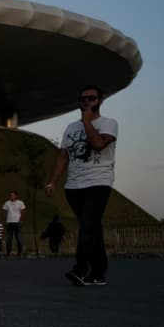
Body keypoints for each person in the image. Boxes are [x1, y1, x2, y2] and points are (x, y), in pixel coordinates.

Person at [46, 85, 117, 286]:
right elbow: (63, 156)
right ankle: (98, 273)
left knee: (87, 225)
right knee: (92, 228)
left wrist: (87, 121)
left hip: (98, 182)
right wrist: (53, 181)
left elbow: (98, 144)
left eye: (91, 98)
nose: (86, 101)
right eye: (82, 99)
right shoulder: (70, 128)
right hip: (74, 187)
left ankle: (80, 269)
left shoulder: (109, 123)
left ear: (100, 100)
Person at [2, 190, 26, 257]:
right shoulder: (7, 203)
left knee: (19, 238)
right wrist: (5, 221)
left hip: (17, 223)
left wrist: (21, 220)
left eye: (13, 195)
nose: (11, 196)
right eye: (10, 195)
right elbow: (4, 212)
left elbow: (23, 212)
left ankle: (19, 253)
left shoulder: (20, 202)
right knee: (9, 239)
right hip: (9, 222)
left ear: (16, 196)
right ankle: (8, 253)